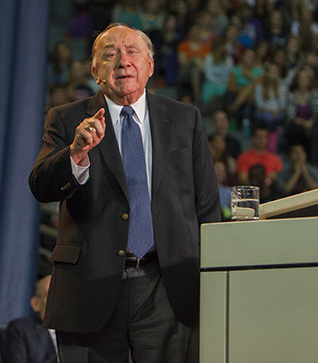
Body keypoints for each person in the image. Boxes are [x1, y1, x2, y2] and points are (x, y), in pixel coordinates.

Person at [28, 24, 221, 362]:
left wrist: (213, 277)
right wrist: (74, 154)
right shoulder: (65, 118)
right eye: (110, 53)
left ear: (150, 64)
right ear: (95, 70)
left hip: (168, 285)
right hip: (91, 286)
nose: (122, 61)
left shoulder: (185, 119)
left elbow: (206, 206)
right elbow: (41, 186)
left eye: (132, 51)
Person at [4, 275, 58, 363]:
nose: (59, 301)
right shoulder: (21, 330)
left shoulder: (77, 333)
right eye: (51, 295)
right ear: (35, 304)